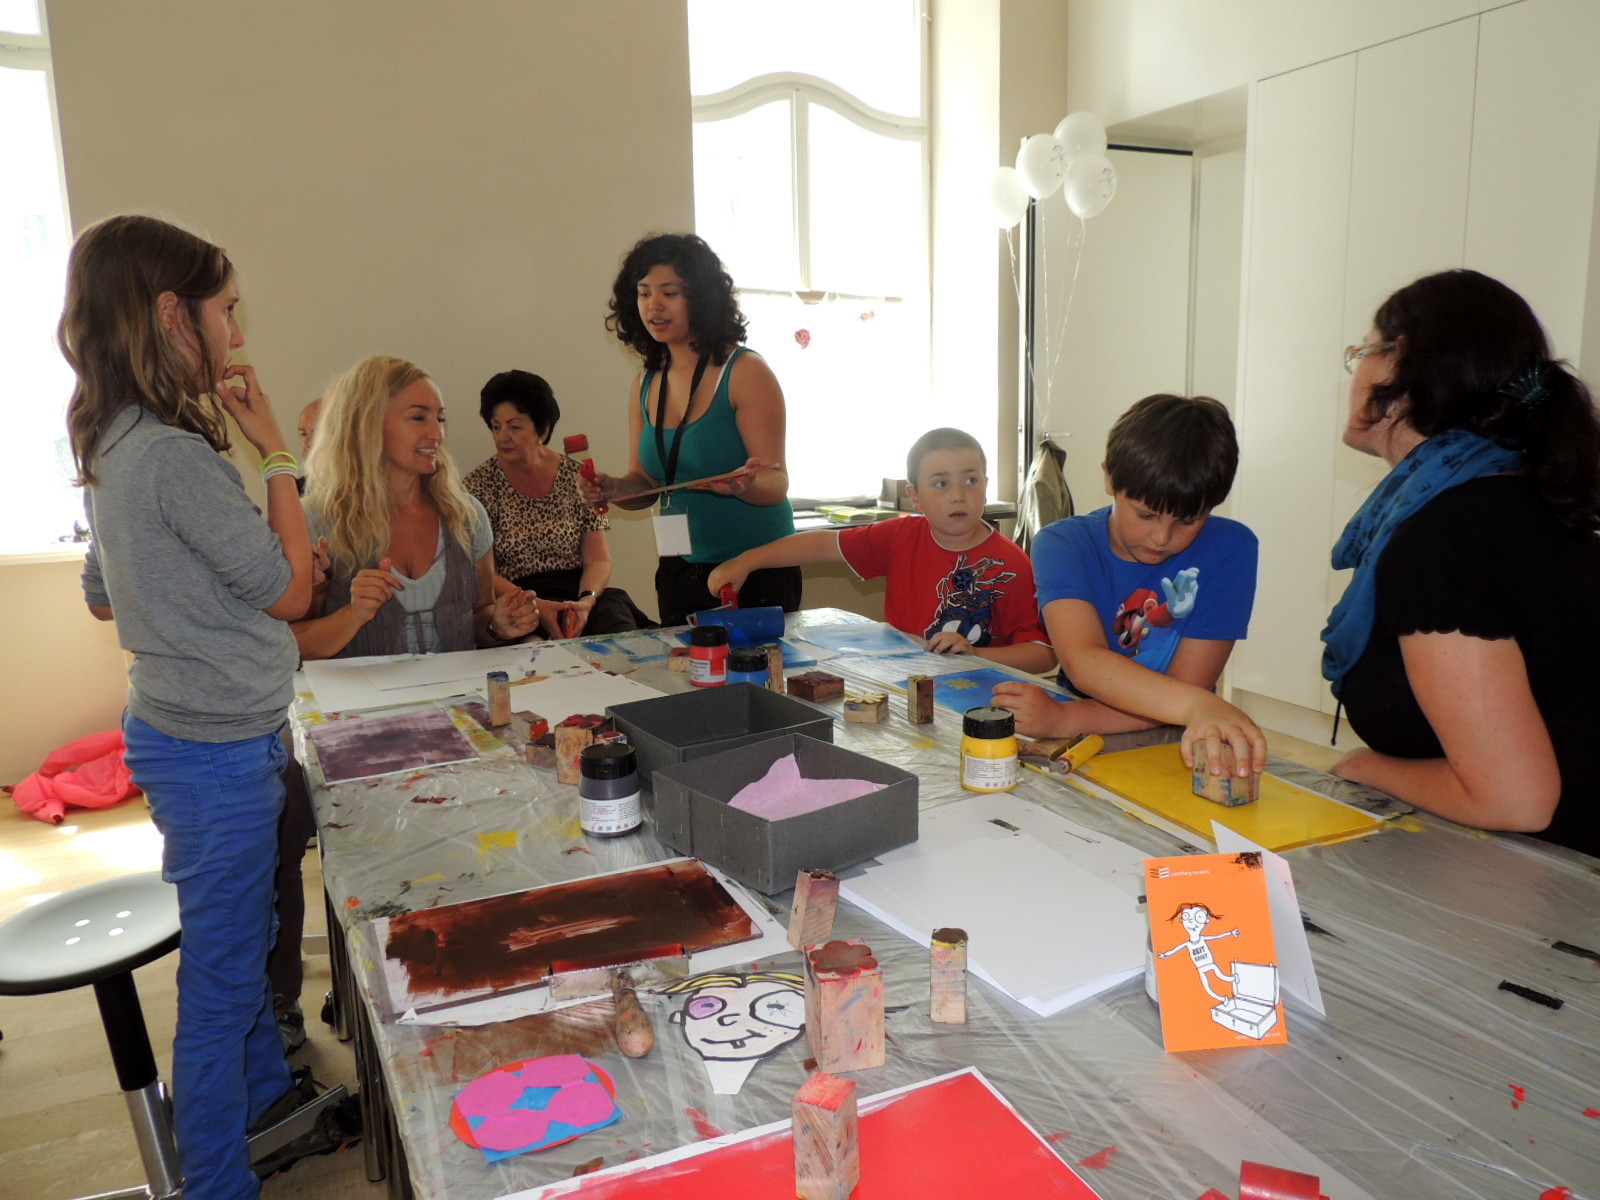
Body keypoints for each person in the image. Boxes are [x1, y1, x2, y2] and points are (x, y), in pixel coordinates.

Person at [65, 214, 324, 1197]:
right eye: (228, 312)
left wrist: (192, 596)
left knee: (244, 942)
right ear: (173, 315)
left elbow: (103, 593)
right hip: (216, 753)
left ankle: (264, 1100)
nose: (238, 335)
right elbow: (291, 591)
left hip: (181, 735)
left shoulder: (116, 441)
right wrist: (276, 453)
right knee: (220, 982)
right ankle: (215, 1181)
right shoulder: (175, 457)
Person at [1322, 269, 1600, 857]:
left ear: (1398, 367)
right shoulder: (1526, 496)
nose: (1354, 374)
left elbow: (1514, 801)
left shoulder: (1441, 540)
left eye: (1362, 352)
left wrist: (1364, 767)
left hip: (1557, 877)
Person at [993, 394, 1265, 778]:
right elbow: (1084, 661)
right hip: (1092, 716)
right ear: (1109, 478)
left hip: (1170, 729)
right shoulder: (1062, 544)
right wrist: (1064, 718)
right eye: (1146, 514)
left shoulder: (1231, 548)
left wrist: (1065, 719)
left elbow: (1187, 686)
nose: (1162, 537)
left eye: (1188, 521)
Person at [581, 233, 797, 625]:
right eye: (644, 293)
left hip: (754, 569)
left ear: (701, 298)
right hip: (680, 570)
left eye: (669, 293)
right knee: (683, 665)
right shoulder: (645, 382)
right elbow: (646, 483)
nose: (654, 305)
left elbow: (776, 483)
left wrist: (745, 485)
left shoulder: (745, 371)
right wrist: (614, 489)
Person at [708, 428, 1055, 672]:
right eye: (940, 483)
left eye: (970, 480)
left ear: (986, 486)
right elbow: (823, 544)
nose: (957, 495)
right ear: (915, 496)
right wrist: (747, 561)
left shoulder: (1011, 563)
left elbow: (1043, 655)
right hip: (908, 683)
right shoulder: (901, 536)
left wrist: (976, 654)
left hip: (981, 697)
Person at [294, 355, 540, 660]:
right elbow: (289, 646)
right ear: (368, 424)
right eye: (419, 417)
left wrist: (498, 625)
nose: (437, 434)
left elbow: (480, 617)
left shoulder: (467, 516)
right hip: (360, 694)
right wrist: (352, 615)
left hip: (459, 692)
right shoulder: (315, 520)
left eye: (440, 418)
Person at [464, 369, 649, 637]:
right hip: (519, 601)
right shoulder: (478, 486)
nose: (503, 436)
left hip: (576, 593)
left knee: (616, 624)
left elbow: (598, 559)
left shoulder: (577, 475)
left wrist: (586, 602)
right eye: (496, 426)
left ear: (543, 430)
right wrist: (536, 605)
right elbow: (485, 576)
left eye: (515, 427)